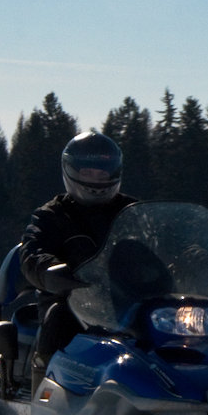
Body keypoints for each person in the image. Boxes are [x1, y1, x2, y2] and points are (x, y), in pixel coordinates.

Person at [20, 131, 137, 393]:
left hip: (130, 302)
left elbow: (167, 245)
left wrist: (199, 260)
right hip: (73, 301)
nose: (96, 180)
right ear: (71, 171)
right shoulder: (52, 215)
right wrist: (49, 270)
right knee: (58, 318)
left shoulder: (134, 213)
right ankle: (43, 403)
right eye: (88, 173)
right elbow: (32, 251)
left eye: (103, 173)